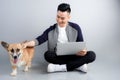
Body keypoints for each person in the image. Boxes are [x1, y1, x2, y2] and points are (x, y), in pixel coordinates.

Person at [23, 3, 96, 73]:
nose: (59, 20)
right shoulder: (51, 29)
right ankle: (78, 66)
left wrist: (83, 51)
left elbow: (81, 45)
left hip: (74, 56)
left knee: (92, 55)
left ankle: (59, 68)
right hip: (58, 57)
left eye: (62, 18)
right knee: (47, 55)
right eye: (58, 17)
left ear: (68, 17)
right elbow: (39, 40)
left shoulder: (76, 28)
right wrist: (26, 44)